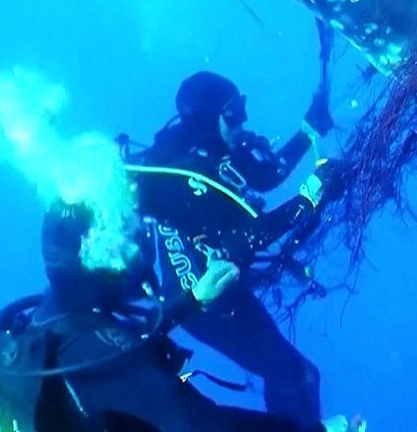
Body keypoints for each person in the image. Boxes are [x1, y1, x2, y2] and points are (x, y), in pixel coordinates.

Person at [0, 204, 324, 432]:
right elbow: (200, 426)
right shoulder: (99, 353)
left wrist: (193, 300)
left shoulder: (28, 329)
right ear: (100, 258)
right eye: (129, 239)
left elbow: (101, 343)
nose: (141, 252)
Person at [121, 71, 342, 429]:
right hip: (206, 305)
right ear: (209, 117)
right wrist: (310, 195)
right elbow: (242, 241)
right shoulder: (190, 173)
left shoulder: (213, 151)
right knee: (297, 375)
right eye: (234, 112)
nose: (244, 120)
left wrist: (307, 133)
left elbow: (265, 174)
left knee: (294, 374)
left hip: (222, 291)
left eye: (241, 108)